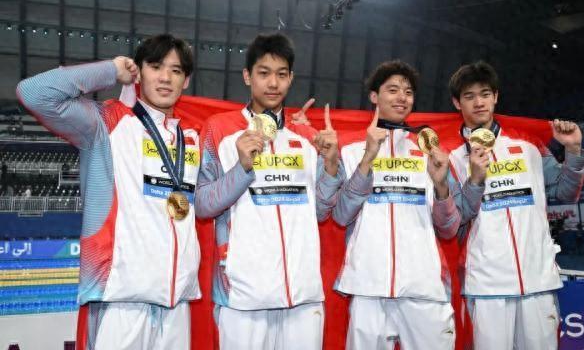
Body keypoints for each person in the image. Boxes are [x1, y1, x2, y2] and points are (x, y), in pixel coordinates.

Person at [17, 34, 202, 350]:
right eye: (156, 67)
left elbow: (205, 204)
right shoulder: (106, 123)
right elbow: (33, 92)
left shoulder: (190, 139)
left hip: (177, 303)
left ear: (185, 81)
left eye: (176, 70)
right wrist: (110, 70)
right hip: (120, 298)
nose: (165, 78)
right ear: (139, 72)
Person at [194, 32, 342, 350]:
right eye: (263, 73)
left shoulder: (307, 136)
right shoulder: (219, 129)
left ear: (291, 78)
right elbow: (203, 205)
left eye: (281, 74)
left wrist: (331, 165)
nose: (273, 83)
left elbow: (320, 212)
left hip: (303, 295)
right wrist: (242, 168)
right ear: (248, 76)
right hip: (242, 296)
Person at [446, 61, 584, 350]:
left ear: (495, 97)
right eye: (469, 96)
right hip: (486, 283)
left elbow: (566, 194)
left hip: (537, 280)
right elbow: (456, 219)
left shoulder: (529, 145)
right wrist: (475, 179)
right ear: (457, 103)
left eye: (485, 94)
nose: (479, 102)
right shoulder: (451, 157)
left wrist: (573, 150)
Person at [326, 60, 461, 349]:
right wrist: (368, 159)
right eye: (393, 90)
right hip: (368, 283)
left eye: (408, 92)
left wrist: (441, 186)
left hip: (424, 284)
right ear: (374, 96)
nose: (402, 97)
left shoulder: (430, 152)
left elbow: (449, 228)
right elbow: (341, 215)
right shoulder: (351, 151)